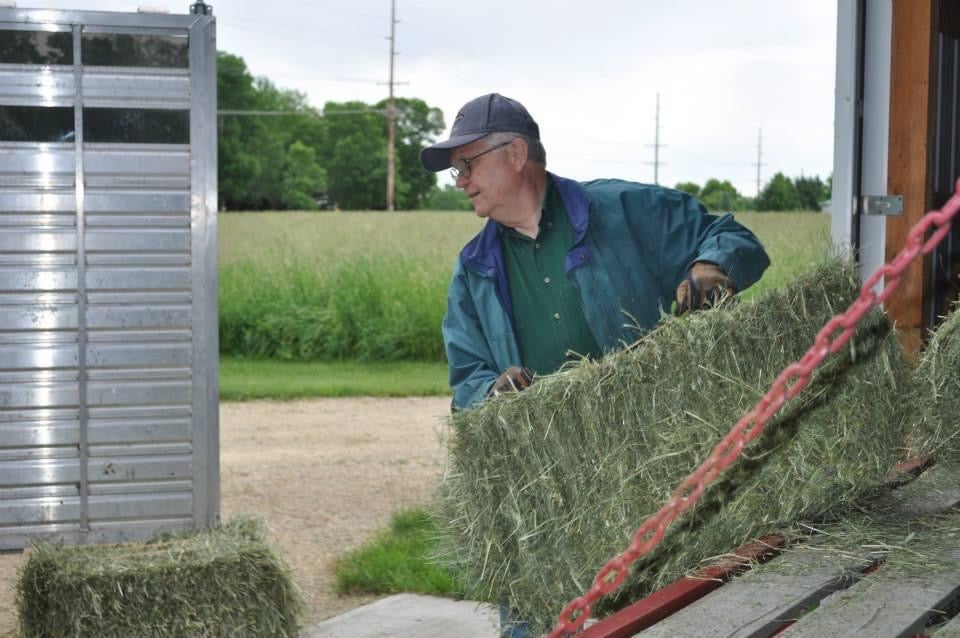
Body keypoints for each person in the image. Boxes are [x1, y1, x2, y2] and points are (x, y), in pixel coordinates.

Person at [421, 93, 771, 414]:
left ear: (515, 154)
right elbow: (468, 376)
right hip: (556, 467)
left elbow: (730, 235)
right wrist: (491, 393)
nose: (459, 181)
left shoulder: (627, 208)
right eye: (457, 170)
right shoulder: (473, 271)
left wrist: (711, 266)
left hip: (659, 433)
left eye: (467, 164)